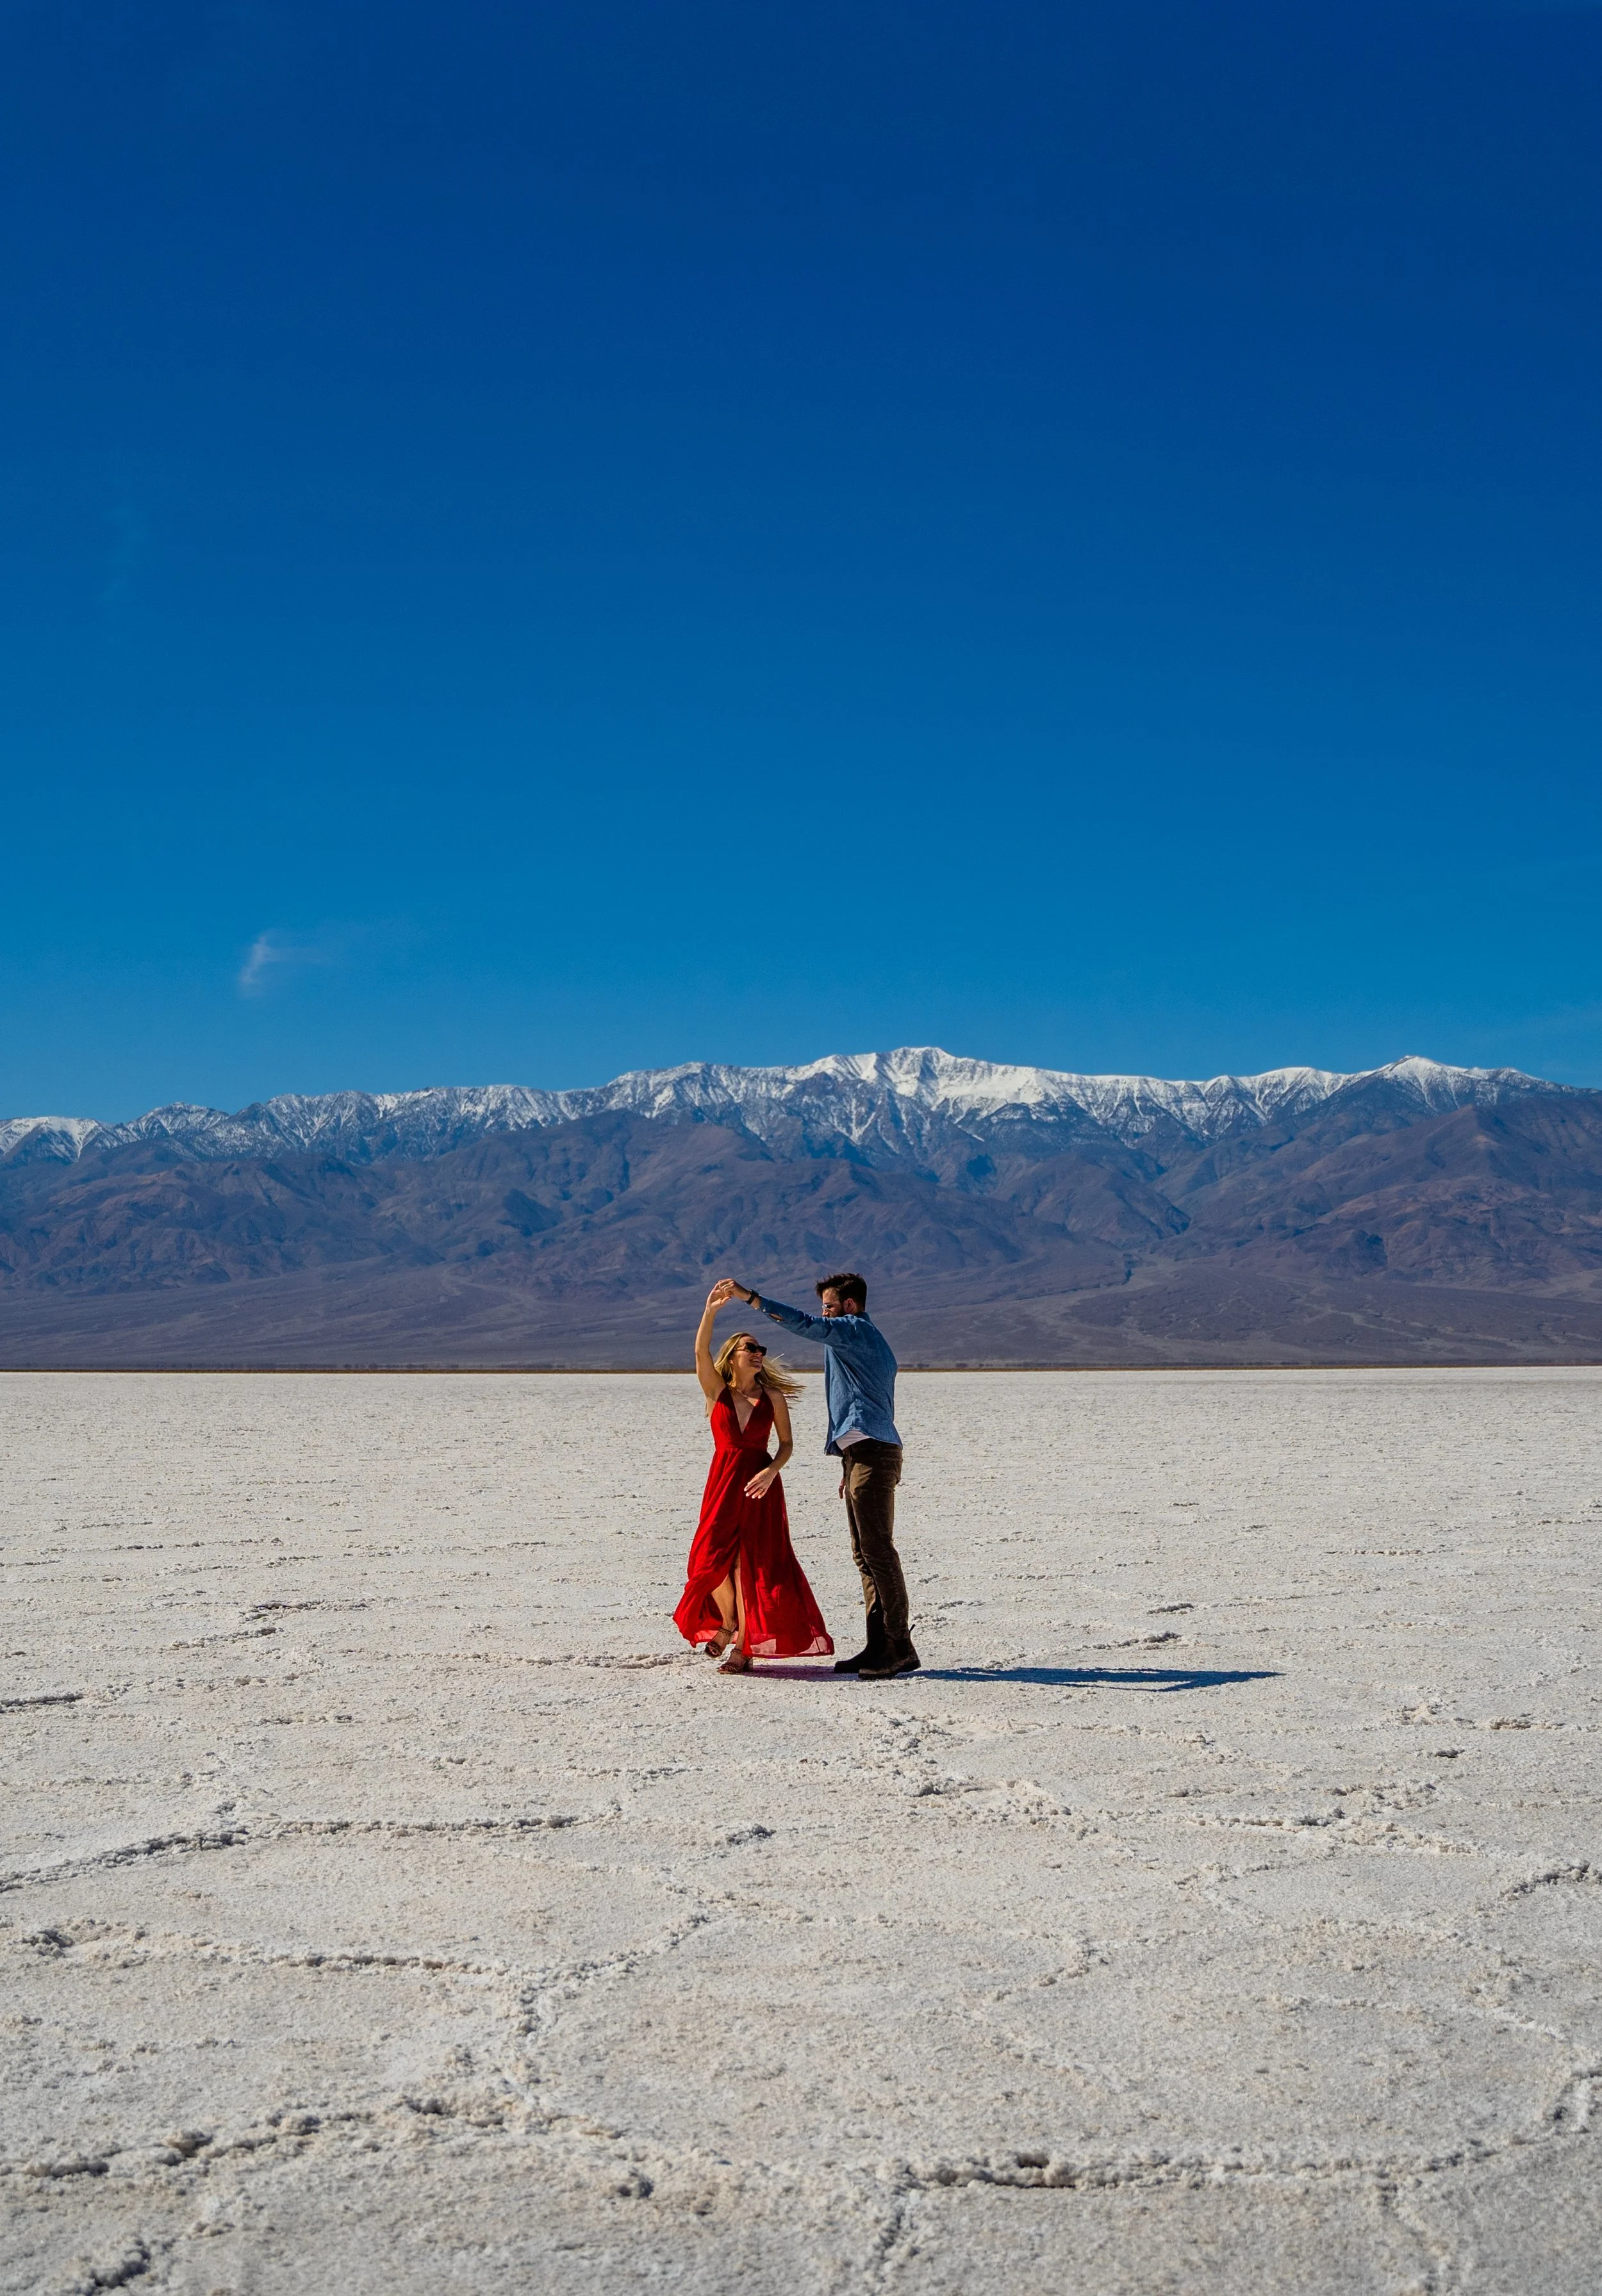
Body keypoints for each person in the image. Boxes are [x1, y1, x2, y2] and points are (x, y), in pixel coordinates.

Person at [709, 1271, 918, 1679]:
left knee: (878, 1552)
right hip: (863, 1453)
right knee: (865, 1555)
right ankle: (878, 1646)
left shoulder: (854, 1330)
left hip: (873, 1453)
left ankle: (899, 1647)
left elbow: (806, 1325)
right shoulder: (859, 1343)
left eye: (829, 1306)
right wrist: (851, 1460)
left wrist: (751, 1298)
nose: (824, 1314)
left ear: (849, 1307)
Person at [673, 1286, 834, 1675]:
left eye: (760, 1347)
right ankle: (728, 1623)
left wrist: (771, 1470)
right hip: (724, 1482)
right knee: (708, 1561)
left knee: (750, 1565)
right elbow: (699, 1354)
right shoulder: (717, 1392)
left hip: (760, 1485)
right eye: (750, 1347)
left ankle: (743, 1646)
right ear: (733, 1357)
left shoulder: (773, 1397)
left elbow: (787, 1445)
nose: (758, 1352)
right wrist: (709, 1312)